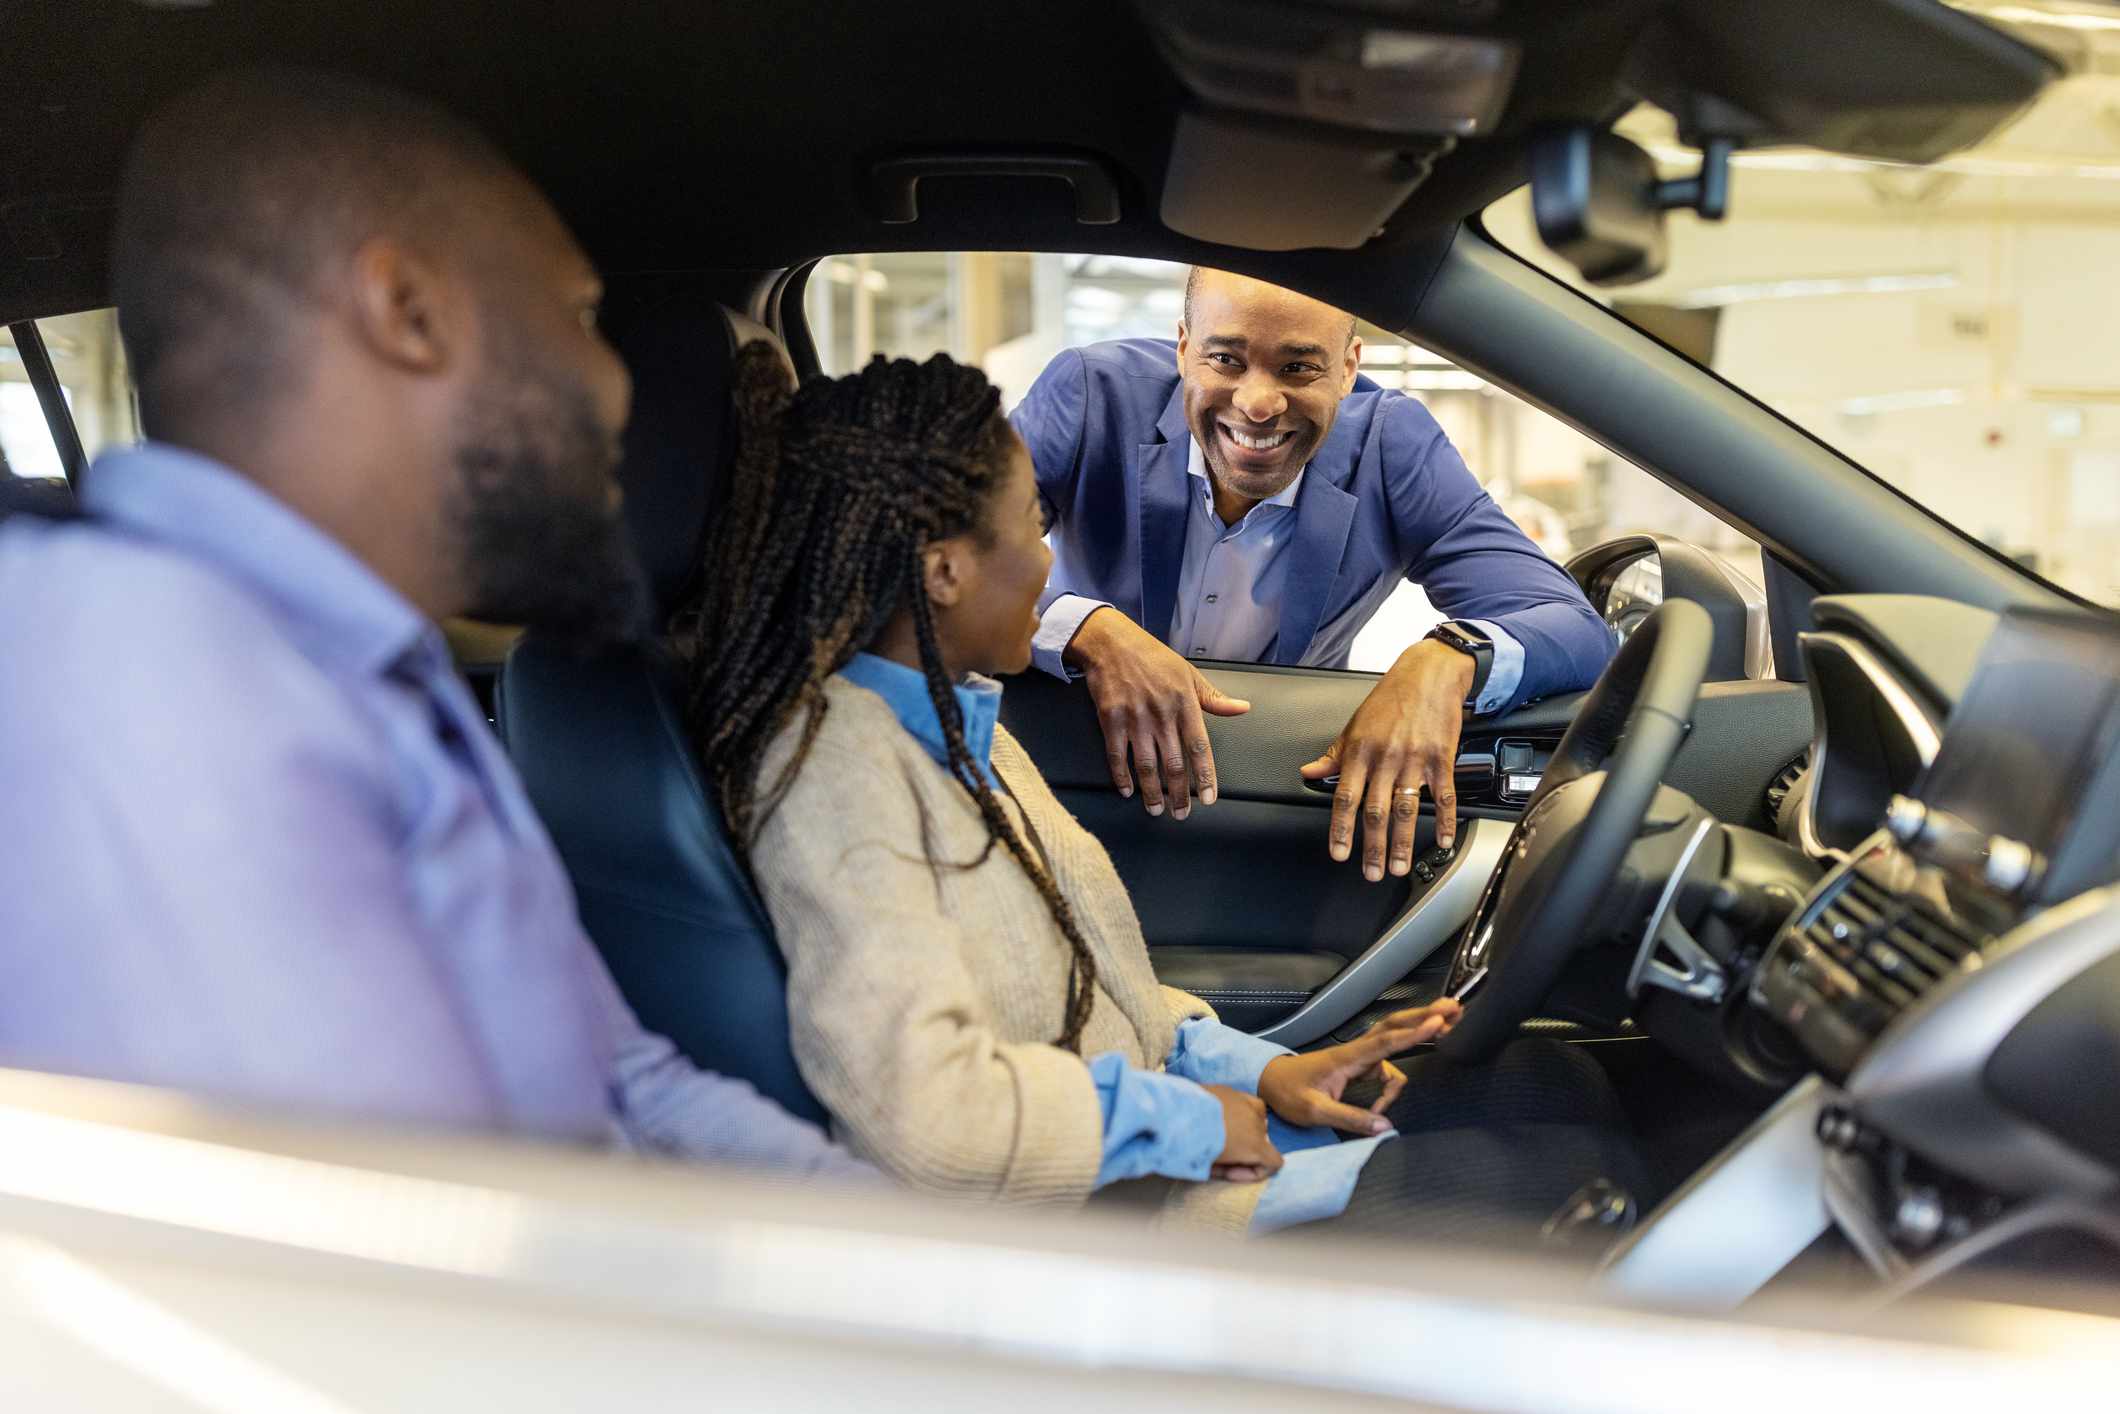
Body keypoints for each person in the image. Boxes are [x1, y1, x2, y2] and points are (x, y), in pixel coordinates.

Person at [0, 70, 863, 1178]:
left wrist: (915, 1252)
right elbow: (398, 1293)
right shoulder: (153, 680)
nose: (617, 385)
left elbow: (623, 1083)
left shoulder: (381, 671)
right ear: (407, 313)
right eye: (581, 316)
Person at [682, 346, 1649, 1236]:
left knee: (1565, 1084)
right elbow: (934, 1125)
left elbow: (1107, 998)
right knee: (1581, 1172)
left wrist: (1269, 1072)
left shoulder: (960, 727)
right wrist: (1187, 1122)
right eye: (1031, 524)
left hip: (1156, 1147)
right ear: (941, 570)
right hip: (1124, 1215)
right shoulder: (837, 774)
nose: (1052, 561)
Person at [1011, 270, 1615, 881]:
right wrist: (1086, 628)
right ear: (1184, 346)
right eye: (1225, 359)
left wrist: (1448, 658)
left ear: (1349, 368)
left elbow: (1576, 629)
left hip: (1269, 798)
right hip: (1064, 775)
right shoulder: (1092, 393)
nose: (1258, 403)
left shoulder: (1390, 444)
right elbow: (937, 547)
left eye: (1298, 368)